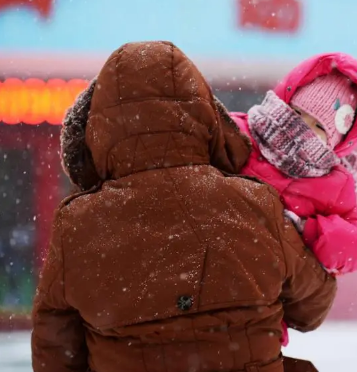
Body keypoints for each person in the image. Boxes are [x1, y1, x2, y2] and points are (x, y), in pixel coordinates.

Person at [31, 41, 336, 372]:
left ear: (99, 134)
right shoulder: (255, 205)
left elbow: (55, 348)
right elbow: (312, 306)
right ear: (205, 118)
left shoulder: (78, 225)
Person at [230, 53, 357, 345]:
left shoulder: (332, 184)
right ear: (286, 103)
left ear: (337, 143)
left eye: (319, 127)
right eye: (298, 114)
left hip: (261, 312)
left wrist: (311, 231)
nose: (302, 130)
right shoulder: (241, 133)